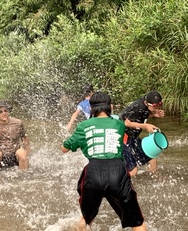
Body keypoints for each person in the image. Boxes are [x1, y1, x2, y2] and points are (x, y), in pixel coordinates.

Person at [61, 91, 147, 231]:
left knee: (86, 219)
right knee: (137, 223)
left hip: (93, 172)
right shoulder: (119, 125)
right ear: (111, 107)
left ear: (90, 108)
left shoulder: (83, 126)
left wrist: (68, 144)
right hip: (117, 172)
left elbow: (65, 148)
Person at [119, 90, 165, 177]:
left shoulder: (146, 106)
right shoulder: (138, 107)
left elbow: (140, 115)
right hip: (124, 137)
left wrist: (154, 114)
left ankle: (152, 183)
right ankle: (123, 187)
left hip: (133, 137)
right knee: (133, 171)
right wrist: (145, 126)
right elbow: (126, 123)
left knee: (152, 160)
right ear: (146, 103)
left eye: (160, 105)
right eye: (155, 107)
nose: (157, 108)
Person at [0, 100, 30, 170]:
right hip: (0, 154)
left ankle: (25, 176)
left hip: (15, 153)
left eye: (5, 110)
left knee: (22, 153)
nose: (3, 113)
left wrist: (27, 153)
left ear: (9, 111)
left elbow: (24, 138)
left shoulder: (18, 123)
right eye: (0, 112)